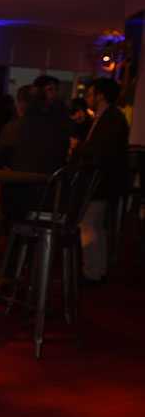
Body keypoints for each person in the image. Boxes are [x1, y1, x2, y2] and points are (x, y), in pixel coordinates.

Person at [73, 77, 129, 286]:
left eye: (90, 93)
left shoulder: (112, 118)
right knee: (93, 224)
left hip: (102, 180)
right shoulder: (105, 117)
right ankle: (97, 271)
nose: (87, 98)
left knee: (88, 224)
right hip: (103, 179)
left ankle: (92, 273)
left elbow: (106, 150)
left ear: (100, 95)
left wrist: (78, 145)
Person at [0, 85, 69, 221]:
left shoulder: (15, 128)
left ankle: (0, 235)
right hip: (57, 198)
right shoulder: (60, 129)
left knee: (2, 197)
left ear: (20, 105)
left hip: (24, 201)